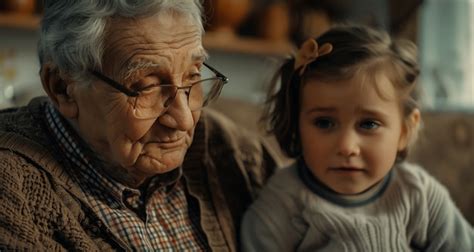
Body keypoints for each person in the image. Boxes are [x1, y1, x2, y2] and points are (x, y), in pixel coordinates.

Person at [0, 1, 278, 251]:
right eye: (146, 87)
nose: (183, 119)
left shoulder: (233, 153)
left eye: (193, 77)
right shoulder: (12, 187)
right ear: (62, 88)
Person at [241, 25, 474, 251]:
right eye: (324, 123)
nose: (346, 147)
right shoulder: (281, 206)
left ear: (404, 131)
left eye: (368, 124)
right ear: (297, 125)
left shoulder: (419, 195)